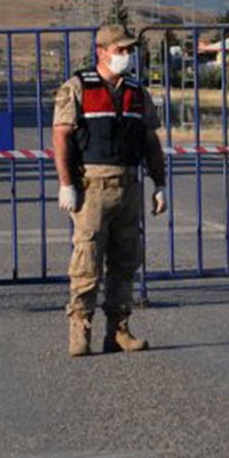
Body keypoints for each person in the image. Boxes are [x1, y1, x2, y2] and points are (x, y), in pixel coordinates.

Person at [53, 24, 168, 357]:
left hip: (129, 185)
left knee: (125, 262)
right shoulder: (77, 87)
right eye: (121, 50)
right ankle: (80, 327)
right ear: (101, 51)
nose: (127, 56)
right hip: (91, 187)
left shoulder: (136, 91)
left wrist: (160, 184)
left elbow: (150, 140)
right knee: (87, 261)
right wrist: (66, 184)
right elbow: (61, 136)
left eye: (130, 50)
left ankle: (118, 329)